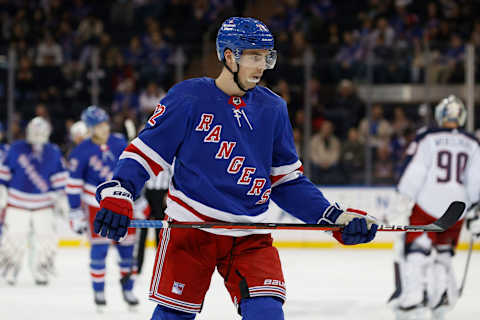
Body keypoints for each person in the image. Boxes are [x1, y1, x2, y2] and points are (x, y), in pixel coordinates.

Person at [92, 17, 378, 320]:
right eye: (254, 56)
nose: (262, 66)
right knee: (172, 316)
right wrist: (120, 191)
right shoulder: (188, 98)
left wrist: (333, 217)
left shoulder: (273, 108)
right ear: (229, 56)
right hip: (191, 231)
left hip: (250, 235)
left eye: (267, 57)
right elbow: (144, 153)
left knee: (267, 314)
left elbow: (286, 182)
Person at [388, 95, 480, 320]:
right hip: (457, 206)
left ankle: (414, 297)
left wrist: (402, 198)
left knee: (416, 248)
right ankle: (442, 296)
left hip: (428, 203)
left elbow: (416, 170)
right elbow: (475, 178)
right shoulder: (473, 142)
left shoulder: (428, 137)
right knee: (443, 250)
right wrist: (476, 209)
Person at [66, 106, 140, 310]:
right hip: (94, 208)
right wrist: (75, 211)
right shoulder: (80, 151)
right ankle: (98, 291)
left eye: (106, 123)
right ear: (90, 128)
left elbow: (133, 170)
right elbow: (73, 186)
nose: (104, 128)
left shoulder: (118, 142)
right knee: (99, 251)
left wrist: (139, 199)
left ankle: (128, 289)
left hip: (123, 204)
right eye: (99, 125)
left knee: (127, 251)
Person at [0, 117, 69, 285]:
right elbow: (3, 178)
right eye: (35, 131)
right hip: (17, 204)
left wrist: (61, 201)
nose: (38, 135)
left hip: (43, 205)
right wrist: (2, 197)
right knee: (13, 240)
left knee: (46, 241)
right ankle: (10, 270)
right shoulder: (16, 148)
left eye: (41, 132)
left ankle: (41, 271)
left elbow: (59, 181)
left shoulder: (53, 151)